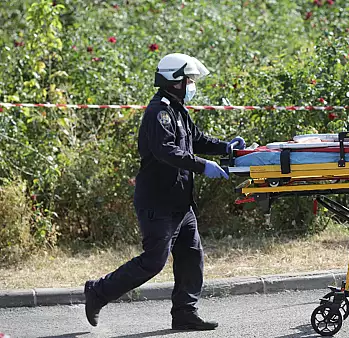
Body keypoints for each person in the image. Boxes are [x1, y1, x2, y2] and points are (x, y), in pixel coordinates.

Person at [83, 53, 245, 331]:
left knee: (191, 257)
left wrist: (226, 147)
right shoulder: (158, 111)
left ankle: (184, 313)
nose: (192, 84)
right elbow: (166, 151)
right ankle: (98, 291)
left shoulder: (177, 109)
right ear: (174, 80)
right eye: (189, 79)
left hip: (180, 202)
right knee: (153, 261)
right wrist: (202, 165)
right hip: (158, 202)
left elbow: (195, 138)